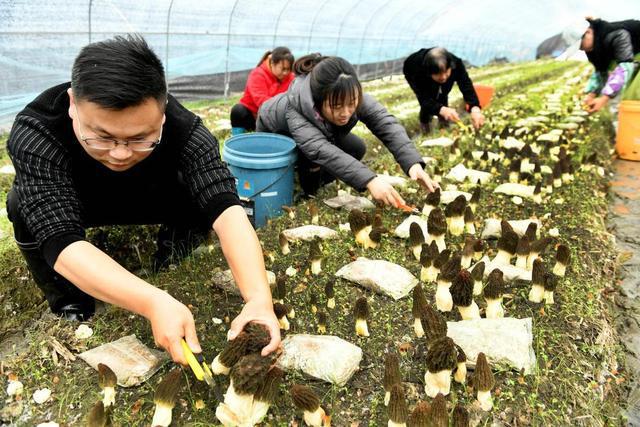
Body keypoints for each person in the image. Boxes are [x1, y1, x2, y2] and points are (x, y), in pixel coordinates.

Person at [5, 35, 280, 365]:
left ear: (162, 116)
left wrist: (259, 299)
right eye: (102, 137)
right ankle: (70, 299)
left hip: (147, 196)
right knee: (21, 204)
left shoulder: (186, 128)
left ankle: (172, 252)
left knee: (201, 191)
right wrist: (152, 302)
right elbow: (59, 238)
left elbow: (226, 209)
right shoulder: (36, 129)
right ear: (72, 104)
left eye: (139, 139)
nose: (120, 153)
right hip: (76, 204)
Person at [256, 54, 438, 205]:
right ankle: (307, 190)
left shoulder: (349, 95)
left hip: (320, 130)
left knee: (356, 148)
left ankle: (315, 180)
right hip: (276, 133)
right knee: (311, 160)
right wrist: (370, 180)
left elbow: (385, 122)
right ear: (319, 101)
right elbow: (319, 148)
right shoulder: (296, 109)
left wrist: (413, 163)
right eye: (336, 106)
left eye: (352, 104)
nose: (346, 113)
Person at [403, 47, 485, 132]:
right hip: (411, 69)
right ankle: (425, 125)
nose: (443, 77)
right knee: (429, 99)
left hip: (436, 71)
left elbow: (466, 85)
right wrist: (440, 109)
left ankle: (444, 125)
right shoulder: (417, 72)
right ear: (429, 73)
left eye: (446, 72)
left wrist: (475, 107)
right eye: (438, 74)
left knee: (443, 94)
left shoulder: (456, 64)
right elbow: (423, 98)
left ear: (451, 67)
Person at [579, 17, 640, 114]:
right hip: (630, 57)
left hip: (634, 55)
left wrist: (604, 98)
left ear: (588, 32)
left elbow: (625, 66)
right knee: (619, 91)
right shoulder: (591, 47)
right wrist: (592, 94)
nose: (581, 49)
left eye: (581, 45)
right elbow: (600, 71)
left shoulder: (615, 34)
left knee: (633, 97)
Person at [230, 47, 295, 135]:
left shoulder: (291, 78)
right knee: (238, 111)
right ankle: (237, 137)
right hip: (255, 116)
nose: (286, 73)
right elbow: (260, 100)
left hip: (276, 117)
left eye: (288, 69)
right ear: (272, 64)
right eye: (283, 69)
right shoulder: (257, 74)